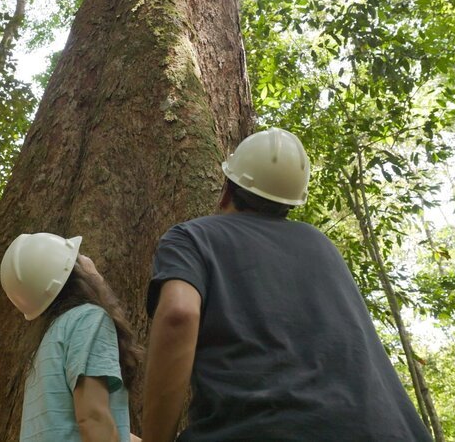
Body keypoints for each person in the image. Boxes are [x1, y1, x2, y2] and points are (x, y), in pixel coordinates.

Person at [142, 128, 432, 441]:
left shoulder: (192, 237)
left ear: (227, 189)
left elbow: (179, 313)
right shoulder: (321, 245)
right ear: (291, 203)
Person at [0, 233, 143, 442]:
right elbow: (93, 419)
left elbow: (66, 425)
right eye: (78, 255)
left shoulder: (50, 339)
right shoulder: (90, 320)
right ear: (73, 269)